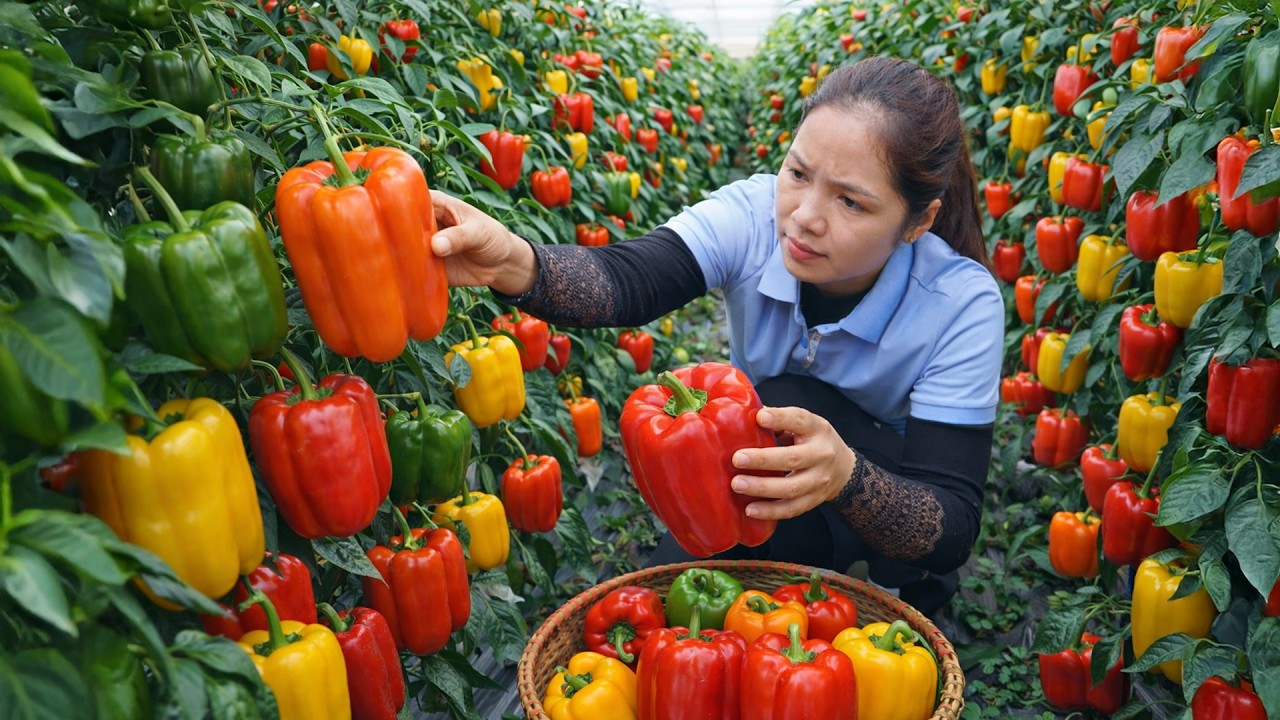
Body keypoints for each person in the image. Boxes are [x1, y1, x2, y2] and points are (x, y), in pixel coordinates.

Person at [427, 56, 1003, 615]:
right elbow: (631, 280)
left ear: (918, 222)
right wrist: (515, 263)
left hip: (886, 491)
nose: (804, 216)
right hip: (765, 475)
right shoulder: (753, 215)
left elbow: (949, 525)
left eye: (851, 201)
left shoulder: (959, 303)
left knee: (788, 404)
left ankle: (885, 587)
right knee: (685, 594)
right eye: (798, 173)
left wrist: (848, 478)